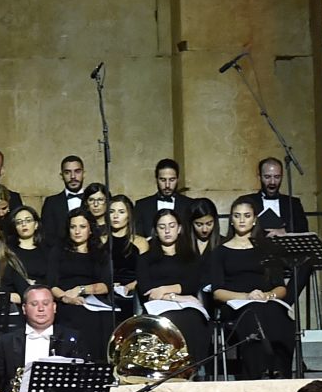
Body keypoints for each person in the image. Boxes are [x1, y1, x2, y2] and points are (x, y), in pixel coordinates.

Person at [206, 199, 296, 378]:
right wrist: (246, 296)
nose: (241, 220)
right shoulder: (219, 252)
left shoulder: (267, 248)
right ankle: (256, 374)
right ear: (231, 219)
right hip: (235, 304)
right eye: (237, 216)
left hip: (266, 300)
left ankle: (281, 371)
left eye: (246, 216)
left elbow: (281, 288)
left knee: (279, 315)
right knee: (253, 314)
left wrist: (267, 295)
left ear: (254, 219)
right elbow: (217, 292)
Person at [137, 209, 214, 365]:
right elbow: (147, 290)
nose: (167, 231)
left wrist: (165, 291)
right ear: (156, 231)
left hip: (187, 306)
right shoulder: (145, 259)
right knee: (170, 319)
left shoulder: (191, 257)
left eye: (171, 226)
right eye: (162, 227)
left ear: (179, 229)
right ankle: (168, 368)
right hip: (158, 307)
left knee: (194, 319)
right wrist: (177, 296)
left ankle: (192, 368)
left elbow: (192, 284)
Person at [47, 205, 126, 356]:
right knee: (74, 314)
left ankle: (101, 364)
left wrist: (81, 289)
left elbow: (105, 285)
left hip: (94, 302)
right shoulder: (57, 252)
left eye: (82, 227)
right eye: (73, 227)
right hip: (66, 302)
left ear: (90, 229)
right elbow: (52, 285)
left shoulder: (101, 252)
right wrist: (66, 298)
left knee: (104, 319)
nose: (77, 231)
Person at [134, 157, 215, 240]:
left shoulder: (190, 204)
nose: (167, 185)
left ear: (178, 179)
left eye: (172, 180)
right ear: (156, 180)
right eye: (163, 180)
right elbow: (138, 239)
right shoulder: (142, 206)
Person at [232, 157, 310, 241]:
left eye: (277, 177)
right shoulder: (247, 201)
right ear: (259, 177)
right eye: (267, 177)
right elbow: (235, 230)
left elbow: (303, 230)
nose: (272, 182)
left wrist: (285, 231)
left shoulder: (293, 203)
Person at [39, 154, 93, 236]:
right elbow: (46, 235)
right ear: (62, 176)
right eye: (67, 172)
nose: (73, 176)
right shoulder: (51, 203)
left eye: (77, 171)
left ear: (84, 174)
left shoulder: (92, 200)